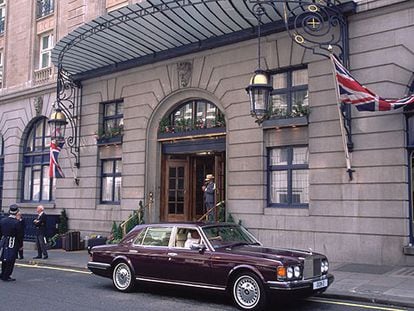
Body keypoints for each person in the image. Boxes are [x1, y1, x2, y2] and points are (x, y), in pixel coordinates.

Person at [0, 204, 24, 281]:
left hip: (4, 241)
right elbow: (19, 235)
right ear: (17, 212)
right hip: (13, 242)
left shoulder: (3, 220)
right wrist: (20, 245)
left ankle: (3, 273)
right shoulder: (17, 223)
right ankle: (6, 276)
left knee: (4, 258)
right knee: (11, 259)